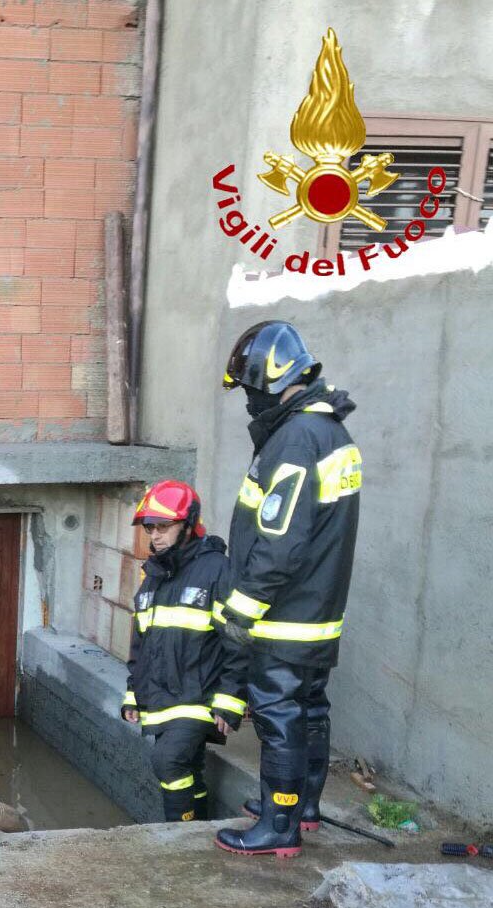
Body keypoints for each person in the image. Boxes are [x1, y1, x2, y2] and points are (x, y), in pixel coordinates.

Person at [214, 320, 361, 858]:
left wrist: (241, 610)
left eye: (248, 389)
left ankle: (278, 824)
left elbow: (280, 541)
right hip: (318, 612)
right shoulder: (330, 432)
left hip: (284, 615)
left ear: (268, 379)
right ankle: (304, 807)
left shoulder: (296, 439)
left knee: (278, 715)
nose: (248, 401)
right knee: (310, 708)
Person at [121, 480, 248, 822]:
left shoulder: (216, 570)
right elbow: (141, 644)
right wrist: (133, 693)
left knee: (168, 762)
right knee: (188, 767)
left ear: (188, 525)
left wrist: (230, 698)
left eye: (164, 527)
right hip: (161, 696)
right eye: (150, 528)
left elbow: (238, 640)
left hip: (199, 696)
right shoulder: (154, 576)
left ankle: (180, 833)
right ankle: (199, 825)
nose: (155, 536)